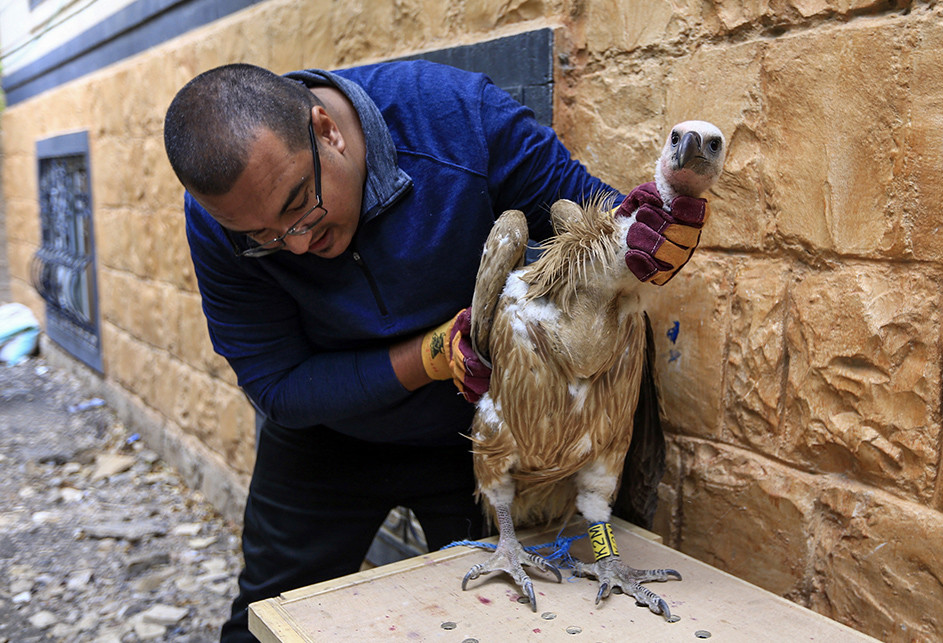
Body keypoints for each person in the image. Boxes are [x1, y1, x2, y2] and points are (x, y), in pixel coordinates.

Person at [163, 60, 708, 642]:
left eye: (300, 203)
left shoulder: (458, 119)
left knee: (508, 618)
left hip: (475, 433)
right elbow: (278, 387)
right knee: (264, 620)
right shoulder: (222, 221)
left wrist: (659, 225)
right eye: (263, 239)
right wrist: (435, 353)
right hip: (326, 437)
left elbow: (602, 234)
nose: (296, 244)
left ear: (328, 130)